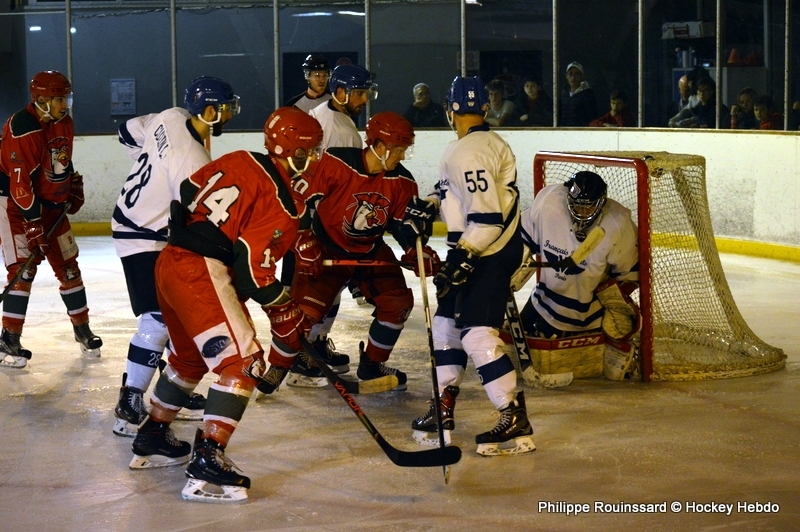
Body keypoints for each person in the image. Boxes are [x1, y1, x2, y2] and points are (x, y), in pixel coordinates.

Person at [128, 107, 322, 504]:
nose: (314, 159)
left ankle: (151, 434)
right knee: (243, 363)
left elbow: (187, 194)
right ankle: (207, 461)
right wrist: (284, 308)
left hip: (169, 262)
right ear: (294, 152)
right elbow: (255, 275)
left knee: (187, 360)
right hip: (201, 273)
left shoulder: (240, 158)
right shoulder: (283, 203)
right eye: (311, 151)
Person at [410, 76, 535, 457]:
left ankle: (513, 416)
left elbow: (488, 217)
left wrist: (462, 258)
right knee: (446, 328)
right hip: (480, 250)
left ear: (450, 110)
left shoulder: (468, 150)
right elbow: (454, 188)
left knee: (477, 336)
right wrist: (431, 202)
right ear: (483, 108)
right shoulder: (478, 144)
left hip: (486, 253)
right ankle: (443, 408)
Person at [263, 111, 430, 394]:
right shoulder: (335, 162)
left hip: (370, 250)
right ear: (379, 146)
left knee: (398, 304)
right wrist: (304, 238)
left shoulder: (403, 181)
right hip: (326, 247)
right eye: (398, 149)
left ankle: (372, 365)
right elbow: (295, 198)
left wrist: (417, 249)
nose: (401, 156)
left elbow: (403, 224)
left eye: (405, 150)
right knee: (303, 313)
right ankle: (279, 366)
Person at [111, 76, 240, 437]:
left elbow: (127, 131)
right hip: (142, 237)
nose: (230, 114)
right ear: (211, 111)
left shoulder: (171, 115)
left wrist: (149, 165)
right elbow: (196, 221)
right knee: (158, 320)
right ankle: (131, 398)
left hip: (139, 224)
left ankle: (172, 388)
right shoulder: (193, 158)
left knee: (175, 316)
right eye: (227, 108)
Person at [0, 70, 102, 369]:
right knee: (24, 270)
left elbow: (61, 158)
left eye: (66, 97)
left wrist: (71, 181)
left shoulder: (63, 122)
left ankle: (82, 329)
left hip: (53, 207)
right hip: (16, 208)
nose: (65, 104)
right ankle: (9, 337)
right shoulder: (22, 128)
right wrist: (33, 224)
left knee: (69, 268)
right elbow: (20, 186)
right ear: (40, 98)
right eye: (60, 98)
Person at [517, 171, 639, 341]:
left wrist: (616, 303)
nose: (582, 212)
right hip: (542, 300)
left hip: (587, 317)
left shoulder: (618, 225)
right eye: (577, 206)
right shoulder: (549, 202)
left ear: (602, 203)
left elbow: (630, 274)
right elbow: (522, 238)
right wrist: (511, 264)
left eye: (588, 206)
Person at [309, 63, 376, 150]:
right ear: (341, 93)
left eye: (367, 93)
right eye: (359, 93)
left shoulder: (320, 110)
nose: (365, 99)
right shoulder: (345, 135)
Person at [559, 61, 597, 127]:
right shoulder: (563, 94)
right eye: (570, 74)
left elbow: (590, 118)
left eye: (577, 74)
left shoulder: (588, 95)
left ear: (582, 76)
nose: (573, 78)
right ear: (566, 76)